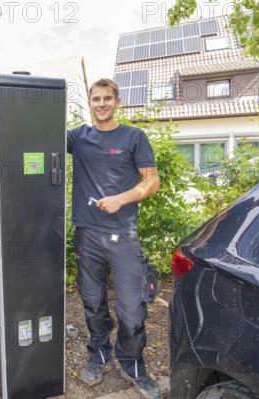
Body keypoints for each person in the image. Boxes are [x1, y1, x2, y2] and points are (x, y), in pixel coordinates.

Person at [67, 78, 161, 399]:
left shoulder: (134, 137)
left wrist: (121, 198)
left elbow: (151, 181)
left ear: (117, 102)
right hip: (87, 234)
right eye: (96, 99)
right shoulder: (78, 137)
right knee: (92, 300)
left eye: (108, 98)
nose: (102, 103)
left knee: (132, 309)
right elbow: (35, 137)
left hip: (123, 235)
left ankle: (132, 361)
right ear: (90, 104)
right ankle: (99, 352)